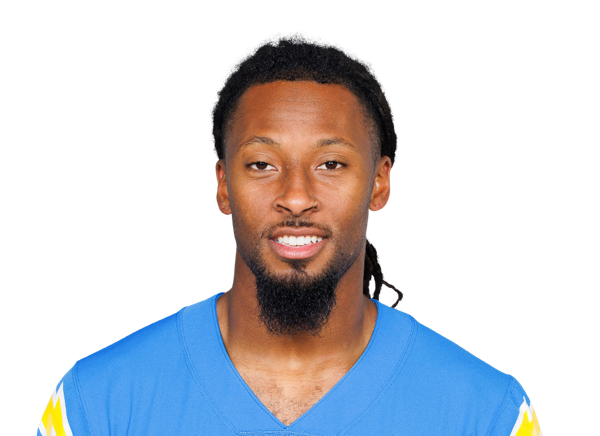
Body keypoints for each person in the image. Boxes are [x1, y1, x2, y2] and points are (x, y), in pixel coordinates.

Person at [37, 31, 542, 435]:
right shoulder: (94, 406)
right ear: (223, 185)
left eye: (330, 163)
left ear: (380, 182)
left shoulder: (488, 414)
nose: (296, 197)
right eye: (262, 164)